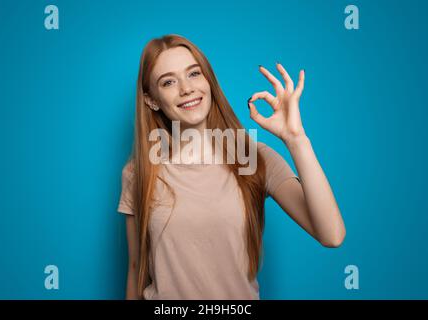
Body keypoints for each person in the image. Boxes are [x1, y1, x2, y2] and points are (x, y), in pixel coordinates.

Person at [117, 34, 346, 300]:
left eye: (194, 74)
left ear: (208, 82)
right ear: (152, 100)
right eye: (168, 82)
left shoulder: (255, 158)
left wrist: (296, 139)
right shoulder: (139, 173)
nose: (186, 88)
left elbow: (332, 235)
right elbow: (135, 268)